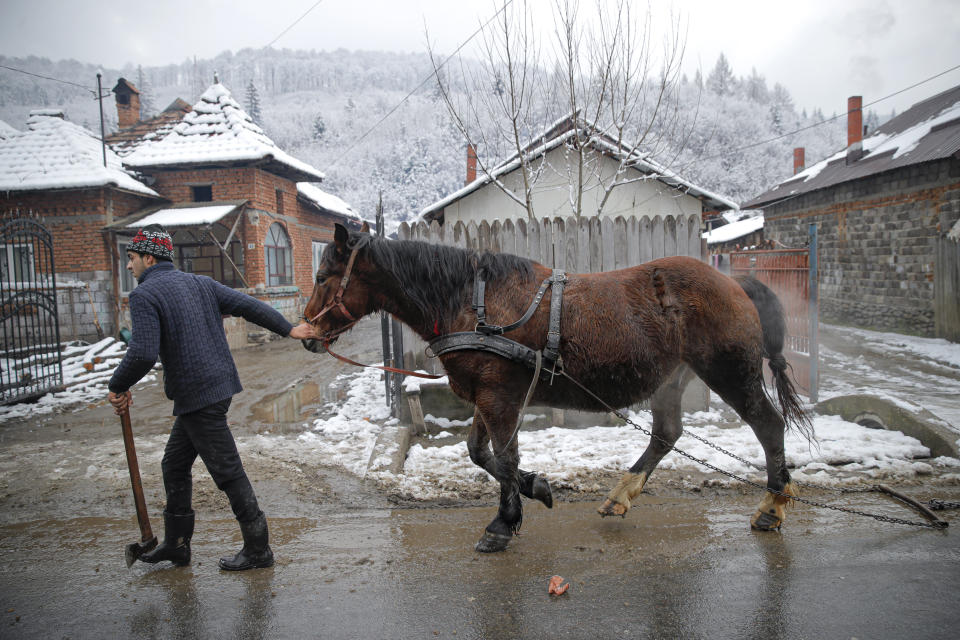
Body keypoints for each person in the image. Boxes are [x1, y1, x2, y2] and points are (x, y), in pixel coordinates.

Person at [107, 224, 317, 571]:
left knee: (227, 470)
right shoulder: (200, 283)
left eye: (131, 259)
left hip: (198, 395)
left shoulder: (145, 296)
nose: (129, 267)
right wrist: (288, 328)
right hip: (216, 388)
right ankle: (176, 544)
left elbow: (142, 353)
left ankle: (258, 548)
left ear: (148, 257)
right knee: (174, 464)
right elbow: (247, 304)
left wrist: (118, 385)